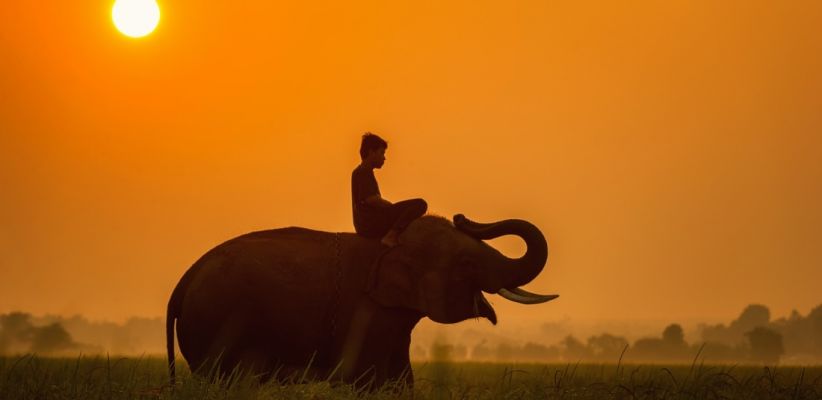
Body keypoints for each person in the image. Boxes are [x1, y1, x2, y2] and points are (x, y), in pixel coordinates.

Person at [351, 133, 427, 247]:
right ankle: (392, 235)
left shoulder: (362, 172)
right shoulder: (363, 172)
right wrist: (393, 209)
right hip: (370, 223)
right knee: (420, 204)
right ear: (371, 152)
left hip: (367, 223)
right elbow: (372, 200)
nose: (384, 158)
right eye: (381, 153)